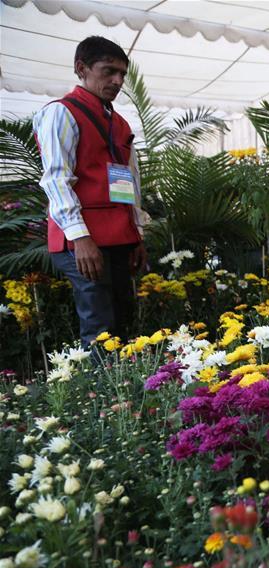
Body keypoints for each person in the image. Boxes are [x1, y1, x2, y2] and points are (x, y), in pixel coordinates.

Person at [33, 36, 147, 349]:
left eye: (122, 74)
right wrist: (80, 239)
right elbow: (57, 180)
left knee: (124, 321)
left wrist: (135, 234)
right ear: (81, 68)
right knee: (100, 329)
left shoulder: (120, 123)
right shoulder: (61, 113)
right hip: (83, 240)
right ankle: (102, 395)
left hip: (119, 237)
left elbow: (127, 183)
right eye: (108, 70)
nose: (118, 80)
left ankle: (125, 395)